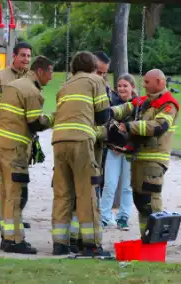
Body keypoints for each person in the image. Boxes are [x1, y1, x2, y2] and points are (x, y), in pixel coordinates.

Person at [51, 51, 111, 256]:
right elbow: (103, 116)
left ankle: (60, 244)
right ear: (94, 67)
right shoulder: (96, 80)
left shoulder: (64, 86)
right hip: (81, 140)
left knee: (62, 193)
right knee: (87, 193)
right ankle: (92, 244)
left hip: (58, 141)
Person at [0, 56, 54, 254]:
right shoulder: (31, 91)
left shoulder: (15, 84)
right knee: (16, 195)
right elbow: (35, 122)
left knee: (5, 193)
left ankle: (6, 235)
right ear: (41, 71)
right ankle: (14, 240)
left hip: (0, 146)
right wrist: (54, 119)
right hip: (15, 150)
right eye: (51, 73)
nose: (52, 78)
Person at [110, 69, 180, 236]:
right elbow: (125, 108)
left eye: (147, 82)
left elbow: (158, 127)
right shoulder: (143, 101)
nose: (144, 85)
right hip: (139, 160)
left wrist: (128, 126)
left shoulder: (168, 104)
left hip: (154, 161)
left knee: (151, 204)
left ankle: (155, 243)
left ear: (160, 82)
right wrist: (109, 112)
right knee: (141, 202)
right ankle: (146, 240)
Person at [0, 42, 32, 232]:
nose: (26, 59)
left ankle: (14, 215)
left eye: (28, 56)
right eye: (23, 56)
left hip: (25, 138)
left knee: (19, 177)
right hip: (5, 136)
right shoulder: (0, 77)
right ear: (14, 56)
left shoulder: (30, 78)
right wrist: (7, 118)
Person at [69, 50, 112, 252]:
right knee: (87, 194)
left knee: (86, 193)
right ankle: (88, 242)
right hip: (86, 145)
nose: (102, 77)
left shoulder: (102, 87)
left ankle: (75, 238)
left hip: (95, 148)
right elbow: (101, 118)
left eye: (105, 73)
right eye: (99, 72)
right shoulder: (90, 86)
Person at [100, 74, 136, 231]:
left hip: (129, 151)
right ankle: (105, 216)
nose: (122, 88)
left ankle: (123, 217)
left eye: (125, 86)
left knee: (127, 186)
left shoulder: (137, 105)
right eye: (119, 86)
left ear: (132, 88)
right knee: (110, 184)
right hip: (114, 149)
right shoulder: (112, 103)